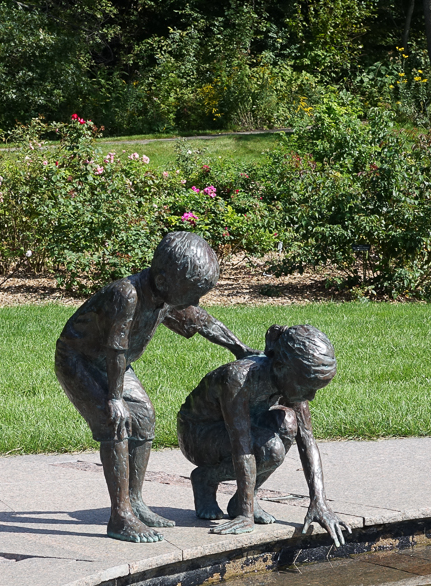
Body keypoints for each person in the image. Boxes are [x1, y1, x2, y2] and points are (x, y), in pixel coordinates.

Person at [55, 231, 256, 543]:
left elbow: (202, 322)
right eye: (191, 294)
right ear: (163, 281)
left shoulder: (165, 296)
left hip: (112, 364)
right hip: (79, 360)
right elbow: (115, 349)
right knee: (115, 422)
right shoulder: (127, 295)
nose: (195, 302)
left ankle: (134, 501)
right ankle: (120, 516)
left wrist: (239, 348)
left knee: (144, 417)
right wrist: (115, 398)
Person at [177, 324, 346, 545]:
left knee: (288, 422)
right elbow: (242, 444)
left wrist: (319, 502)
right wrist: (245, 517)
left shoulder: (290, 378)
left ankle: (242, 499)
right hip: (199, 433)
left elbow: (307, 439)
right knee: (271, 449)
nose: (311, 396)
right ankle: (205, 479)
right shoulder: (238, 378)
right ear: (281, 366)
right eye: (307, 387)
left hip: (244, 429)